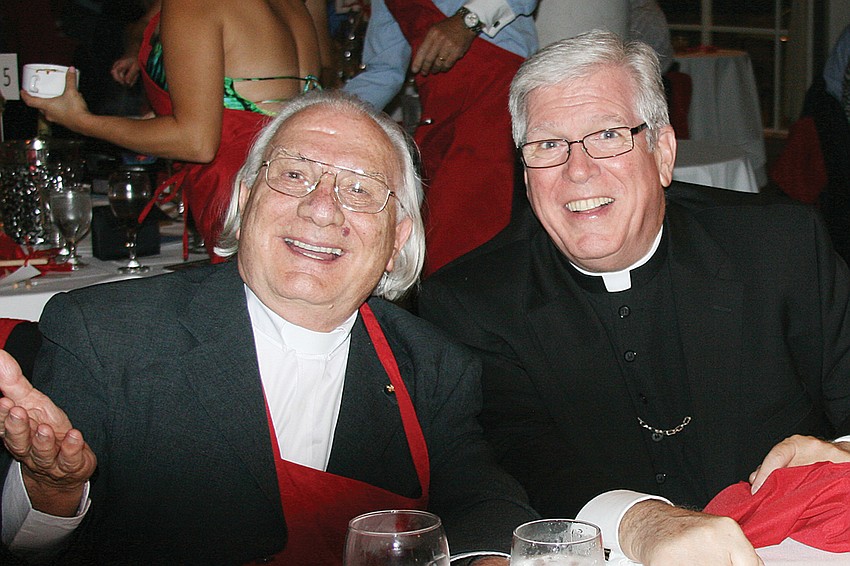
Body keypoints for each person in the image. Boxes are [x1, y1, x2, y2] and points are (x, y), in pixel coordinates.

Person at [0, 90, 536, 565]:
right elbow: (26, 548)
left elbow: (479, 498)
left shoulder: (432, 365)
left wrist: (488, 557)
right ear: (244, 197)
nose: (322, 209)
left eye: (360, 189)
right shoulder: (108, 334)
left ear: (397, 240)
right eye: (294, 175)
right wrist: (51, 491)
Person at [418, 30, 850, 564]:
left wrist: (841, 450)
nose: (578, 170)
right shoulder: (471, 301)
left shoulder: (779, 246)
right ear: (525, 174)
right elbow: (514, 456)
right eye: (548, 145)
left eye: (608, 135)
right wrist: (638, 520)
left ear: (662, 152)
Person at [22, 0, 334, 260]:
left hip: (236, 189)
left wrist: (80, 121)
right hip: (292, 181)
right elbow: (260, 106)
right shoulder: (295, 5)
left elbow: (196, 142)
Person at [343, 0, 537, 275]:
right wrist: (322, 111)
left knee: (475, 237)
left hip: (495, 104)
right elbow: (384, 72)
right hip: (441, 117)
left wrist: (468, 20)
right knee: (436, 243)